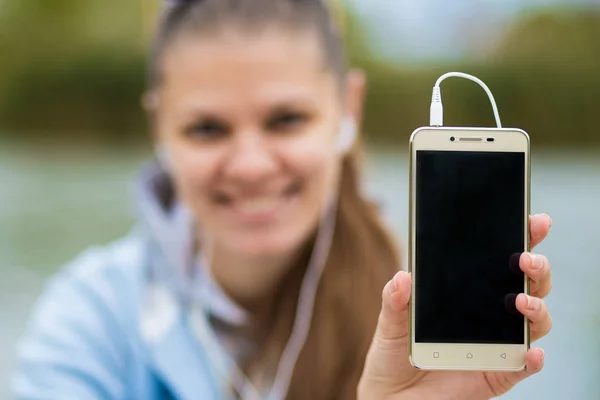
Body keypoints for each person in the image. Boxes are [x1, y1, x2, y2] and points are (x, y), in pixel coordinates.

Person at [11, 0, 554, 399]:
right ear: (160, 126)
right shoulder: (90, 321)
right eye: (206, 128)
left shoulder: (423, 314)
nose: (249, 165)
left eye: (286, 120)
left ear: (348, 107)